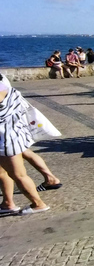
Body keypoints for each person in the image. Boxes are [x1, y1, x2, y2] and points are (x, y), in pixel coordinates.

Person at [0, 78, 49, 214]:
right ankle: (7, 203)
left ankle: (38, 204)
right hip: (14, 134)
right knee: (2, 173)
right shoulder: (6, 86)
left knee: (19, 175)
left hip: (7, 140)